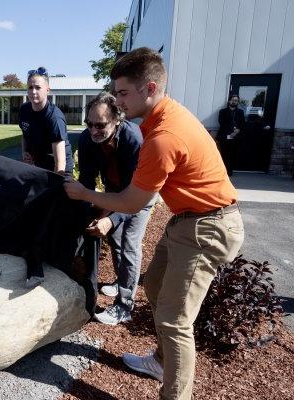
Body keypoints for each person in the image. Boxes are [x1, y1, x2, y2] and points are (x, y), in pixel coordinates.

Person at [64, 47, 244, 400]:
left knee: (175, 321)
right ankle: (161, 361)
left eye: (123, 93)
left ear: (149, 88)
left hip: (208, 227)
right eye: (115, 92)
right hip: (186, 220)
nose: (118, 100)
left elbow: (134, 201)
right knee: (156, 285)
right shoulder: (162, 118)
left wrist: (87, 195)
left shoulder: (163, 137)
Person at [77, 92, 155, 325]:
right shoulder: (86, 139)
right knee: (115, 239)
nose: (93, 131)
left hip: (141, 194)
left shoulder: (134, 140)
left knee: (129, 244)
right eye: (89, 124)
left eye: (100, 125)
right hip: (115, 191)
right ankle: (120, 282)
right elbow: (87, 181)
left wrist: (110, 218)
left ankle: (125, 305)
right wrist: (87, 211)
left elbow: (134, 195)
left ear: (117, 120)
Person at [19, 67, 73, 174]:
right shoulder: (24, 109)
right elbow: (25, 134)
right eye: (30, 87)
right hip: (37, 165)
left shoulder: (54, 118)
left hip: (58, 169)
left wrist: (54, 186)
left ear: (47, 90)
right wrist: (25, 153)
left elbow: (60, 163)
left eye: (38, 87)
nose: (33, 91)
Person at [216, 93, 245, 175]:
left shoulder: (240, 112)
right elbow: (222, 123)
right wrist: (231, 132)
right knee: (224, 154)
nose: (234, 102)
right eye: (233, 100)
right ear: (229, 101)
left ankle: (230, 171)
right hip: (225, 136)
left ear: (238, 102)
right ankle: (223, 171)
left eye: (236, 100)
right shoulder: (222, 112)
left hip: (236, 137)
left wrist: (237, 131)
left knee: (233, 154)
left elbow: (242, 124)